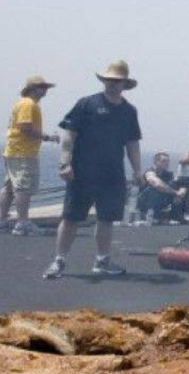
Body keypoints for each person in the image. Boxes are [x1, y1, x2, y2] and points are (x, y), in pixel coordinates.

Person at [44, 60, 142, 279]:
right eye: (109, 79)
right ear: (103, 80)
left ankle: (102, 261)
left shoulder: (129, 111)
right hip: (82, 172)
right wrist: (65, 162)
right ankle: (58, 260)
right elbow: (69, 133)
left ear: (125, 83)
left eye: (117, 80)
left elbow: (132, 143)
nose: (112, 83)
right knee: (71, 217)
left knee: (106, 218)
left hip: (112, 174)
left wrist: (137, 170)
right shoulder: (86, 104)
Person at [0, 76, 59, 236]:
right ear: (33, 88)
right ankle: (22, 223)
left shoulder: (25, 103)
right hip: (23, 151)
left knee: (9, 187)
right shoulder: (28, 104)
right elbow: (25, 127)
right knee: (23, 187)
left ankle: (1, 222)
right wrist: (47, 137)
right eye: (42, 87)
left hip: (14, 150)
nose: (45, 90)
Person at [136, 152, 188, 223]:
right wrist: (175, 193)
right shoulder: (149, 172)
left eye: (168, 161)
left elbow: (181, 182)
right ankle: (150, 214)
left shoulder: (168, 174)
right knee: (153, 188)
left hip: (160, 201)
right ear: (156, 162)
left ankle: (177, 215)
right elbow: (156, 183)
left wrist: (181, 192)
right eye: (164, 161)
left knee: (174, 184)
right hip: (145, 202)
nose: (167, 163)